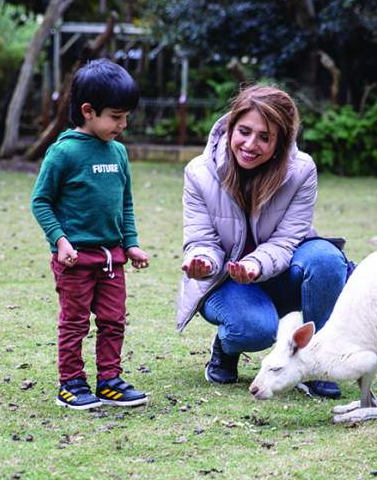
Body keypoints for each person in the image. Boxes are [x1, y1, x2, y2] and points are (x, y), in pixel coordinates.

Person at [175, 85, 352, 398]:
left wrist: (255, 264)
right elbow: (201, 239)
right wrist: (203, 262)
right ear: (231, 127)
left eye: (264, 137)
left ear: (280, 142)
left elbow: (287, 241)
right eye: (244, 131)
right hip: (226, 281)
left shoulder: (301, 170)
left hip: (279, 269)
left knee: (327, 259)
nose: (250, 144)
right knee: (254, 329)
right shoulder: (198, 172)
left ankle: (317, 363)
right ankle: (227, 346)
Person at [31, 59, 150, 410]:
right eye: (116, 116)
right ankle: (71, 383)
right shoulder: (63, 152)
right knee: (75, 323)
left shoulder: (119, 153)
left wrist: (131, 244)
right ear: (88, 111)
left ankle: (110, 381)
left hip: (112, 259)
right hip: (75, 260)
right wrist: (60, 240)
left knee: (114, 321)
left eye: (126, 116)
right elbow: (41, 201)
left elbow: (124, 204)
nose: (123, 124)